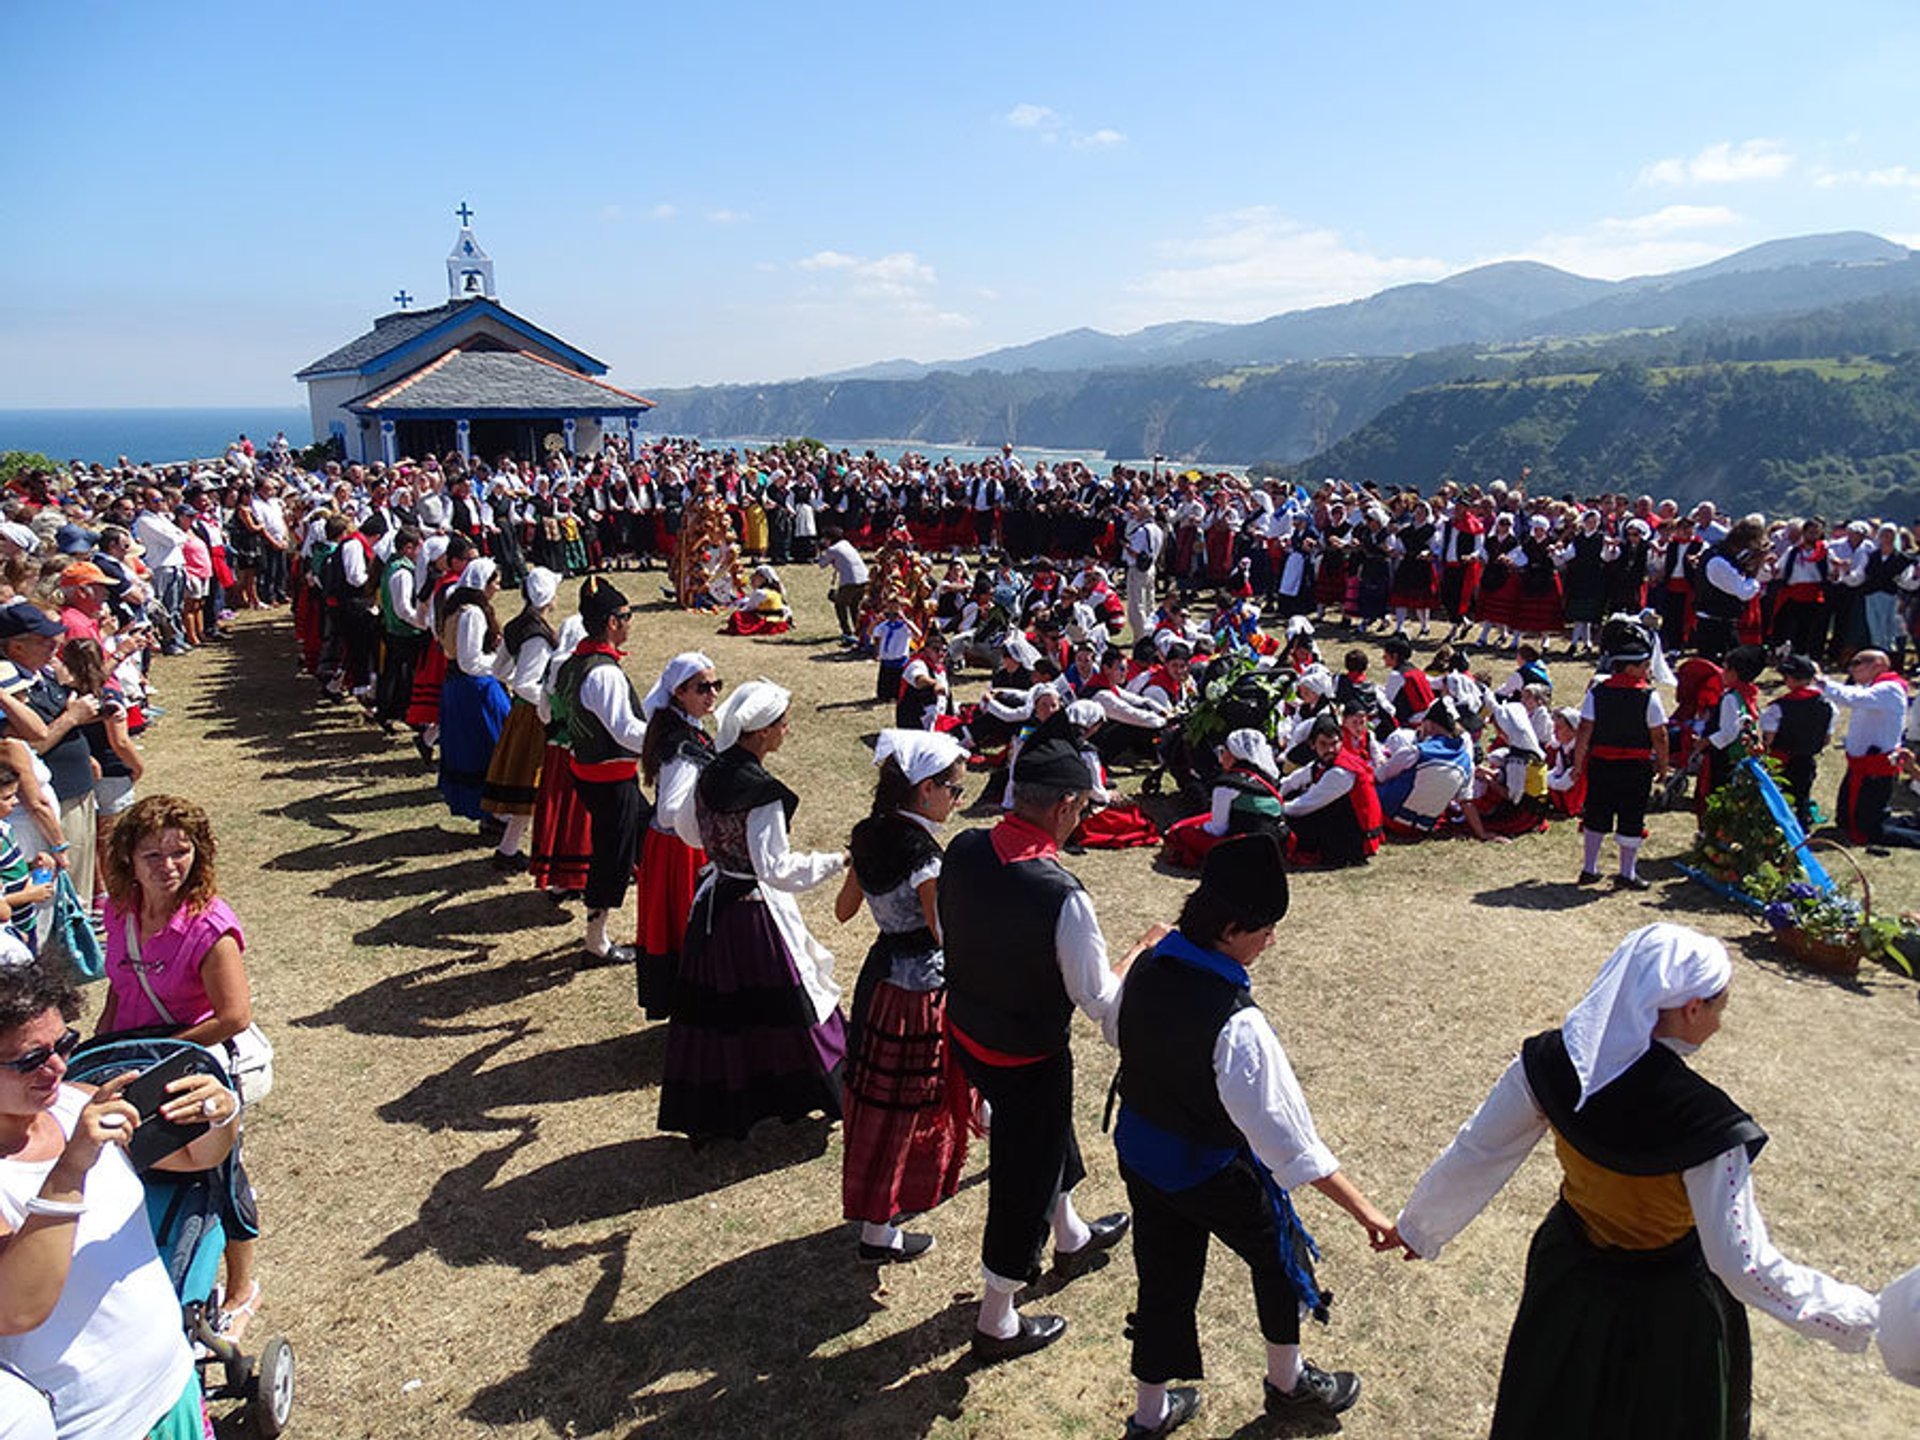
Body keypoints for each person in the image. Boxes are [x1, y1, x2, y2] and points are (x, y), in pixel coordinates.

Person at [1389, 924, 1882, 1439]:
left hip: (1570, 1280)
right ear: (1691, 1009)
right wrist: (1862, 1315)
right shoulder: (1706, 1124)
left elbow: (1480, 1150)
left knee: (1556, 1411)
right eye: (1719, 1008)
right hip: (1666, 1314)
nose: (1719, 1022)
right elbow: (1743, 1264)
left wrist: (1420, 1226)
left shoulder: (1553, 1064)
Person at [1113, 835, 1395, 1437]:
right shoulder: (1237, 1022)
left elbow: (1120, 1032)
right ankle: (1288, 1382)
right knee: (1280, 1253)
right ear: (1232, 928)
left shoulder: (1149, 962)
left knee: (1163, 1277)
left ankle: (1149, 1412)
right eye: (1266, 928)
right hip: (1203, 1166)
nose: (1273, 940)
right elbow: (1289, 1145)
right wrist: (1367, 1211)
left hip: (1140, 1151)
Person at [939, 728, 1157, 1363]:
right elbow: (1100, 1004)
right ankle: (997, 1317)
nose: (1083, 818)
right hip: (1027, 1052)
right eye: (1084, 807)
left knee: (1044, 1139)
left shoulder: (964, 848)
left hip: (971, 1031)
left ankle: (1072, 1232)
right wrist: (1142, 953)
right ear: (1064, 806)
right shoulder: (1061, 894)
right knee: (1022, 1176)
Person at [0, 960, 241, 1440]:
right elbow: (15, 1308)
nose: (58, 1067)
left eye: (64, 1044)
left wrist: (220, 1115)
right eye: (31, 1059)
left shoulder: (77, 1100)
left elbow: (196, 1158)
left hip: (174, 1387)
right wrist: (72, 1166)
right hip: (99, 1425)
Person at [93, 794, 265, 1340]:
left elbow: (234, 1015)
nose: (169, 866)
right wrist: (99, 1053)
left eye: (180, 852)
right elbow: (119, 991)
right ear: (128, 859)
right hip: (131, 1059)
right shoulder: (117, 911)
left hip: (192, 1065)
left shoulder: (209, 925)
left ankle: (241, 1288)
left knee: (221, 1175)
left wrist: (165, 1054)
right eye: (153, 855)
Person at [658, 680, 849, 1143]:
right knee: (787, 1005)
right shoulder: (762, 793)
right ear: (761, 732)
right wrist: (836, 861)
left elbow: (685, 829)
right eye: (782, 723)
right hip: (753, 914)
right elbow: (778, 869)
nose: (787, 730)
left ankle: (716, 1109)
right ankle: (823, 1091)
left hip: (715, 908)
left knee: (720, 1014)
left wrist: (723, 854)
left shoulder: (708, 772)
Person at [832, 730, 974, 1264]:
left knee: (875, 1101)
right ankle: (880, 1224)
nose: (957, 801)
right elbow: (943, 934)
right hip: (917, 991)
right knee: (906, 1105)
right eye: (954, 791)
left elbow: (845, 911)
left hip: (879, 978)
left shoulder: (868, 834)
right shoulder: (925, 855)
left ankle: (878, 1219)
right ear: (924, 790)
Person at [551, 577, 649, 963]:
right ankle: (596, 941)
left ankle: (667, 908)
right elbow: (624, 730)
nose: (629, 623)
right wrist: (667, 739)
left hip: (589, 769)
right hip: (610, 777)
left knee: (646, 836)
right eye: (627, 616)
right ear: (612, 622)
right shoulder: (603, 672)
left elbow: (551, 712)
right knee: (613, 856)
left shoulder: (570, 664)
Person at [633, 651, 720, 1018]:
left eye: (716, 685)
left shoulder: (683, 731)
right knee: (686, 927)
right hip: (679, 848)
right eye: (702, 688)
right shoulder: (681, 747)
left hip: (675, 845)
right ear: (680, 693)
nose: (712, 694)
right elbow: (670, 810)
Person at [1573, 618, 1670, 888]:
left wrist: (1578, 762)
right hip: (1634, 769)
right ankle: (1627, 873)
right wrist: (1662, 766)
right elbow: (1659, 736)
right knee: (1631, 817)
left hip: (1601, 764)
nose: (1648, 669)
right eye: (1644, 665)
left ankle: (1589, 868)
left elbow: (1584, 730)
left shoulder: (1598, 692)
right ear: (1630, 667)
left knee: (1596, 813)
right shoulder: (1649, 697)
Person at [480, 567, 560, 869]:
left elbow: (499, 670)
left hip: (521, 712)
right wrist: (548, 706)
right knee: (531, 784)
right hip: (533, 716)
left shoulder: (516, 625)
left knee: (526, 784)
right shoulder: (537, 636)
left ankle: (508, 844)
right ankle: (509, 848)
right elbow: (526, 682)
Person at [436, 559, 511, 833]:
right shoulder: (472, 614)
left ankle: (493, 814)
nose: (499, 587)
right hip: (474, 689)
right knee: (493, 746)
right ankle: (494, 813)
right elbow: (470, 661)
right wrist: (501, 661)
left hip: (459, 687)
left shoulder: (454, 604)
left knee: (478, 749)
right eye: (496, 582)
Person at [1822, 648, 1918, 847]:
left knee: (1869, 830)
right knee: (1846, 821)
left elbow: (1852, 698)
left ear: (1878, 665)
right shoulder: (1873, 687)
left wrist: (1819, 682)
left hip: (1874, 769)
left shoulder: (1888, 688)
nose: (1851, 668)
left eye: (1857, 662)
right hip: (1861, 766)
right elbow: (1849, 694)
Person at [1758, 653, 1832, 832]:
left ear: (1789, 678)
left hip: (1781, 759)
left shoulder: (1778, 707)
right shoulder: (1827, 704)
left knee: (1778, 793)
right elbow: (1827, 737)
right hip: (1806, 757)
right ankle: (1802, 823)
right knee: (1802, 792)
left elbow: (1770, 737)